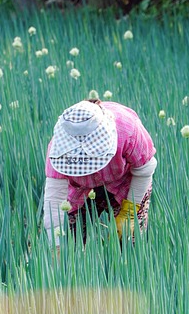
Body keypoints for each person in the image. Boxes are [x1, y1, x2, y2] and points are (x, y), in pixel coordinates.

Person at [42, 99, 157, 248]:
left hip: (125, 183)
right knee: (70, 241)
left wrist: (129, 212)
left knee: (130, 239)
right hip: (80, 189)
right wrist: (56, 244)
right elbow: (55, 199)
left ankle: (122, 260)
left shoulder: (127, 129)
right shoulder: (58, 149)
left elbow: (144, 168)